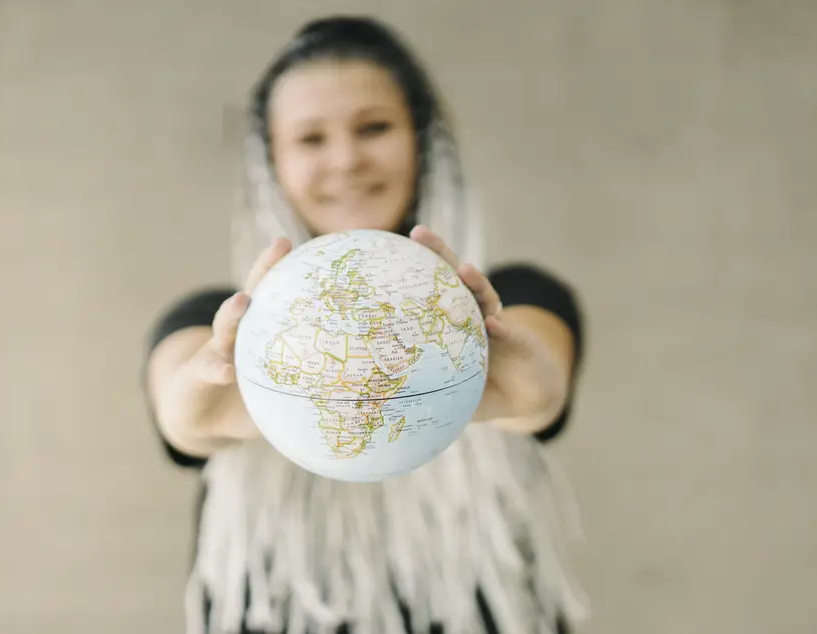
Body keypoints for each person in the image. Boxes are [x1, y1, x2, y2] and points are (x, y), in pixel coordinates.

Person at [143, 15, 589, 634]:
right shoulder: (220, 321)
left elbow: (539, 395)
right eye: (310, 139)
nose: (347, 160)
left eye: (374, 127)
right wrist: (212, 388)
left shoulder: (510, 301)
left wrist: (517, 381)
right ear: (270, 164)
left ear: (424, 143)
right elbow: (184, 419)